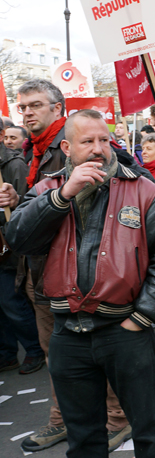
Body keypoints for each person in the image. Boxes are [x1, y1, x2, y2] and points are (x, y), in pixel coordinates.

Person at [6, 109, 155, 458]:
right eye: (87, 141)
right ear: (67, 147)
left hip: (125, 331)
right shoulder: (48, 188)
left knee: (148, 429)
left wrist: (143, 317)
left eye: (104, 140)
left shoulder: (142, 189)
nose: (98, 148)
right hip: (67, 335)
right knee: (84, 436)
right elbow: (19, 240)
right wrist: (62, 197)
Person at [7, 79, 134, 453]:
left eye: (35, 105)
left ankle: (116, 420)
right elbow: (35, 213)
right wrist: (19, 199)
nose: (26, 112)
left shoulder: (81, 147)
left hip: (84, 277)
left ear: (57, 109)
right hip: (40, 272)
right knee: (57, 355)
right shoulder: (31, 151)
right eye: (22, 106)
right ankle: (61, 420)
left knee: (99, 350)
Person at [0, 119, 44, 376]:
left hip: (9, 245)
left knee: (12, 301)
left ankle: (34, 349)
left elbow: (23, 206)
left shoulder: (13, 164)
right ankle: (7, 354)